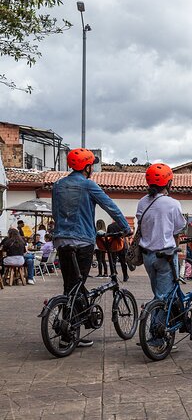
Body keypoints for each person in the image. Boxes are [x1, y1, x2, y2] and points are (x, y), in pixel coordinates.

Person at [52, 148, 131, 348]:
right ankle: (70, 332)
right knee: (77, 284)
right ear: (87, 167)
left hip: (62, 241)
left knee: (70, 285)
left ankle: (71, 328)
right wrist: (126, 228)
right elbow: (110, 206)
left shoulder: (58, 185)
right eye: (91, 165)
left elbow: (56, 212)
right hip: (83, 242)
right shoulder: (88, 185)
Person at [136, 163, 186, 348]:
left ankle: (166, 326)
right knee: (163, 297)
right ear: (169, 182)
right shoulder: (172, 204)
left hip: (148, 257)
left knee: (158, 293)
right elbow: (180, 227)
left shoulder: (142, 202)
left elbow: (141, 224)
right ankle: (157, 336)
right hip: (165, 256)